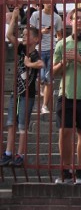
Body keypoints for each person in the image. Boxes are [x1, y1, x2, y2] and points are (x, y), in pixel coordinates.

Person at [52, 8, 81, 185]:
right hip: (66, 93)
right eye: (76, 18)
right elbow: (53, 72)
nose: (79, 21)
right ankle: (65, 170)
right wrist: (64, 62)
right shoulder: (61, 44)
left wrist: (80, 60)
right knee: (64, 132)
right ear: (69, 21)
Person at [0, 15, 42, 168]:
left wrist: (29, 64)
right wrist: (14, 17)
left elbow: (41, 64)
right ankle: (8, 152)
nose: (23, 37)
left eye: (27, 35)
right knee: (11, 123)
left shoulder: (35, 54)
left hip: (27, 95)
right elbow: (9, 35)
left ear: (36, 39)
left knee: (22, 125)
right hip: (16, 93)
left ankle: (20, 154)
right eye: (23, 34)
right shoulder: (22, 49)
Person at [29, 0, 62, 115]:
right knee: (42, 77)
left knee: (49, 79)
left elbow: (59, 35)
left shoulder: (57, 18)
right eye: (47, 2)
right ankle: (42, 89)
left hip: (52, 49)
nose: (49, 4)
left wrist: (59, 45)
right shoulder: (36, 15)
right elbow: (30, 32)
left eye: (51, 2)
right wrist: (40, 32)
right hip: (38, 50)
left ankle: (44, 106)